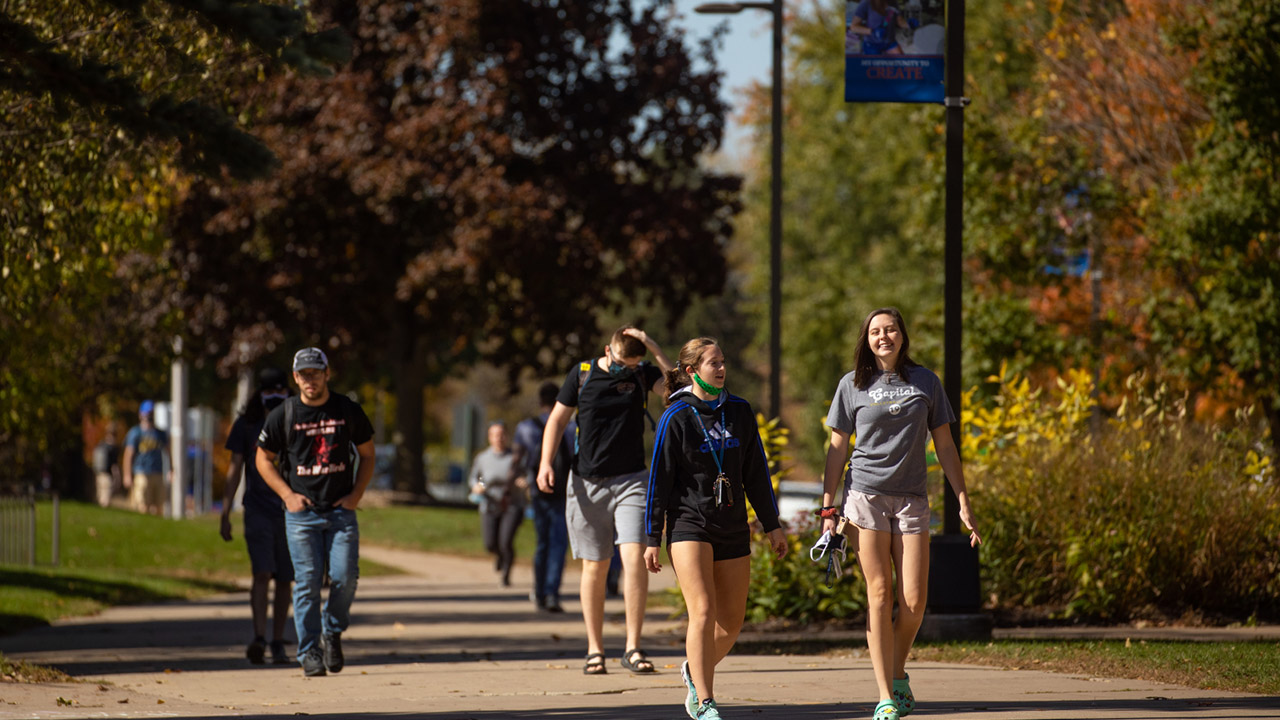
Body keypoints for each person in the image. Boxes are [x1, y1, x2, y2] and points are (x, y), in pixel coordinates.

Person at [820, 308, 981, 720]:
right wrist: (828, 506)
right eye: (875, 331)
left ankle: (896, 671)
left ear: (902, 335)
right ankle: (884, 697)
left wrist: (962, 498)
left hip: (912, 499)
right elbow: (838, 447)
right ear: (867, 339)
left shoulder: (925, 382)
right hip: (865, 497)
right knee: (879, 594)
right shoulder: (851, 384)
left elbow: (944, 444)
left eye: (890, 329)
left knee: (914, 601)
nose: (883, 336)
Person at [643, 337, 788, 720]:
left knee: (732, 622)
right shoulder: (676, 417)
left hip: (733, 524)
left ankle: (694, 668)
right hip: (690, 523)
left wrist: (773, 526)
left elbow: (757, 473)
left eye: (723, 361)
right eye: (713, 363)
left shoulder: (739, 410)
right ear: (692, 371)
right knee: (703, 611)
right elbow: (659, 479)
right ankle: (705, 699)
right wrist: (651, 537)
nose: (721, 369)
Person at [536, 325, 673, 676]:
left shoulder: (643, 372)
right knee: (595, 566)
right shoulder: (582, 375)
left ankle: (633, 646)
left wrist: (652, 346)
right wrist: (545, 463)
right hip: (586, 482)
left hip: (631, 480)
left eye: (633, 364)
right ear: (608, 350)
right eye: (622, 363)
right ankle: (594, 649)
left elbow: (676, 390)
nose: (626, 370)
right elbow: (556, 420)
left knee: (634, 558)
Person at [256, 347, 376, 677]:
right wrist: (287, 495)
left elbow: (367, 454)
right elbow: (262, 458)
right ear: (296, 377)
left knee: (345, 577)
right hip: (301, 515)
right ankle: (309, 651)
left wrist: (355, 495)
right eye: (304, 374)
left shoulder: (346, 410)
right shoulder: (284, 414)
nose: (311, 379)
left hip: (340, 513)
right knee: (307, 583)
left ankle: (332, 631)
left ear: (327, 373)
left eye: (316, 373)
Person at [220, 367, 294, 665]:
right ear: (260, 393)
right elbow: (235, 469)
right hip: (258, 511)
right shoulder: (246, 425)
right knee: (262, 573)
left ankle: (278, 641)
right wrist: (225, 512)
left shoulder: (296, 422)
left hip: (292, 512)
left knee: (286, 578)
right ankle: (259, 637)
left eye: (280, 389)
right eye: (269, 390)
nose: (275, 396)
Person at [511, 381, 572, 612]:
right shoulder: (569, 426)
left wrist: (515, 482)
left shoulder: (526, 428)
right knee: (558, 543)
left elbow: (517, 459)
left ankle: (538, 591)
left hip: (537, 491)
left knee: (542, 543)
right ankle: (552, 594)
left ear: (539, 401)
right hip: (562, 490)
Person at [468, 421, 527, 587]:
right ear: (489, 437)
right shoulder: (482, 458)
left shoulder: (515, 458)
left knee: (506, 541)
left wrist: (523, 481)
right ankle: (499, 555)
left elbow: (526, 474)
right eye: (495, 435)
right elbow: (477, 477)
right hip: (489, 505)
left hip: (512, 504)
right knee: (490, 544)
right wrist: (479, 486)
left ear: (506, 437)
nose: (499, 438)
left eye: (502, 435)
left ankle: (506, 574)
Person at [122, 400, 171, 516]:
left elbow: (168, 451)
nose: (148, 417)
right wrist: (127, 475)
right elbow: (128, 454)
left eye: (151, 414)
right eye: (146, 414)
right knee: (143, 506)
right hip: (141, 472)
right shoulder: (136, 432)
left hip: (158, 473)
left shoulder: (160, 434)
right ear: (140, 415)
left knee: (158, 507)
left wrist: (171, 469)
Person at [91, 428, 122, 508]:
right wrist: (117, 477)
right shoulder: (113, 449)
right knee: (106, 498)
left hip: (99, 475)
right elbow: (114, 465)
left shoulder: (100, 446)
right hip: (107, 476)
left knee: (100, 495)